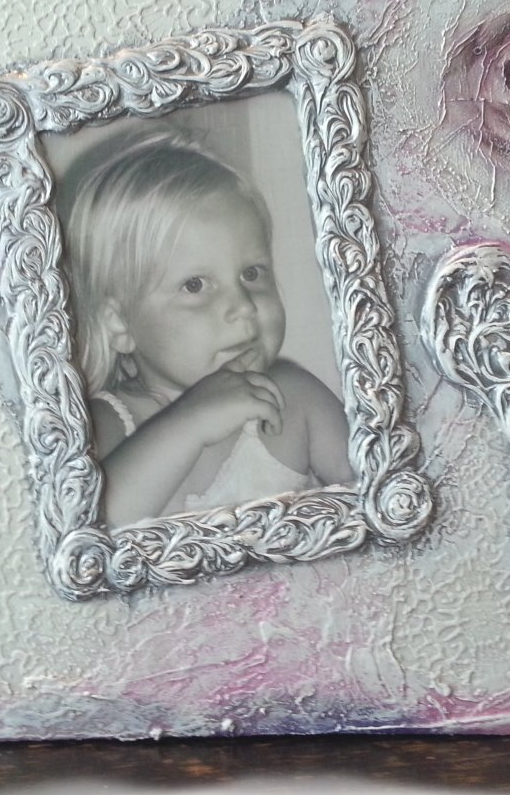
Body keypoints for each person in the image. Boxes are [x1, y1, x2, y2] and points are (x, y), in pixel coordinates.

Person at [64, 129, 354, 528]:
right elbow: (87, 529)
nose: (244, 306)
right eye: (195, 285)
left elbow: (385, 496)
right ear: (119, 323)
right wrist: (191, 423)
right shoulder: (107, 423)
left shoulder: (297, 397)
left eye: (251, 273)